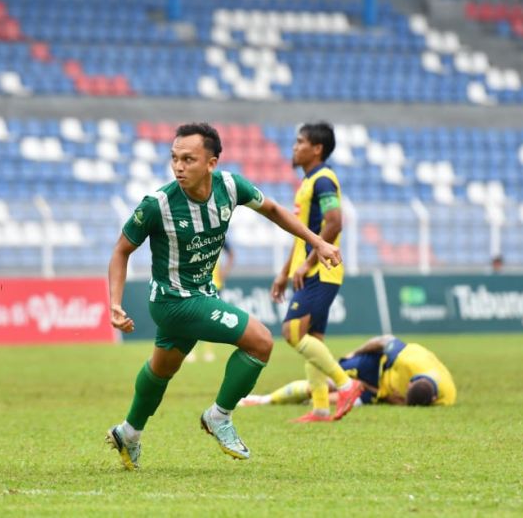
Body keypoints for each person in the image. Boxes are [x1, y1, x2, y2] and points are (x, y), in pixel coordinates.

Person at [106, 122, 341, 470]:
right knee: (261, 341)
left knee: (161, 370)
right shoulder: (158, 205)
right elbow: (121, 251)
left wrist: (318, 241)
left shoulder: (230, 186)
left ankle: (128, 432)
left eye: (188, 159)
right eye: (174, 158)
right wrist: (114, 302)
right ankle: (219, 416)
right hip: (174, 302)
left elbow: (275, 210)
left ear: (212, 163)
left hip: (199, 294)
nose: (179, 166)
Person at [270, 122, 362, 423]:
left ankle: (347, 385)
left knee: (292, 333)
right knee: (313, 338)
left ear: (317, 148)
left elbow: (334, 222)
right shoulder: (308, 183)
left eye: (300, 142)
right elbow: (302, 236)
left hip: (321, 272)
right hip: (310, 269)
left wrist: (308, 264)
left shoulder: (324, 180)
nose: (294, 147)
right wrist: (285, 271)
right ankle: (321, 408)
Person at [240, 336, 456, 408]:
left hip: (378, 391)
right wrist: (355, 354)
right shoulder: (409, 358)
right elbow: (384, 340)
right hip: (372, 366)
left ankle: (306, 403)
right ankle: (263, 400)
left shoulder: (447, 396)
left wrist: (391, 398)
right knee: (320, 386)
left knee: (334, 400)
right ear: (408, 383)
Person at [186, 240, 234, 363]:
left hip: (215, 285)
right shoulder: (195, 238)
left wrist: (225, 271)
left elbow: (231, 253)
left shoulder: (218, 235)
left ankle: (208, 352)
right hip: (197, 285)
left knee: (212, 319)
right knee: (193, 318)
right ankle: (191, 351)